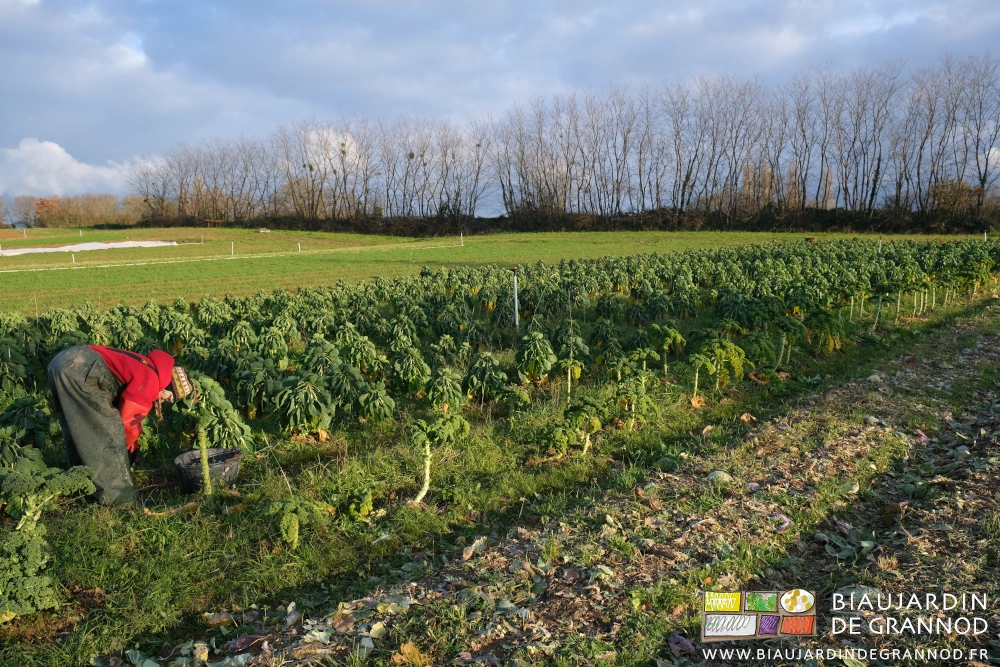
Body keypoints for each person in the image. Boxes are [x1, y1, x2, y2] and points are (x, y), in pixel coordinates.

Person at [47, 345, 176, 506]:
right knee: (105, 434)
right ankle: (122, 502)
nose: (163, 400)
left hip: (62, 361)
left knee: (78, 428)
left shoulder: (145, 364)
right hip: (82, 368)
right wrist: (124, 451)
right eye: (168, 397)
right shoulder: (152, 379)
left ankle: (81, 485)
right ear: (167, 386)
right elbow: (127, 424)